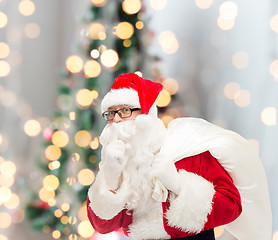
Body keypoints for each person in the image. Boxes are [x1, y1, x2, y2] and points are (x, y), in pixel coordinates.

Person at [87, 73, 272, 240]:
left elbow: (231, 207)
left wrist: (178, 184)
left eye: (125, 110)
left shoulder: (187, 151)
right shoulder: (117, 164)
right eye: (111, 113)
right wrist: (110, 180)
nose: (117, 120)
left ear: (146, 114)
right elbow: (102, 226)